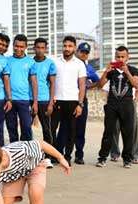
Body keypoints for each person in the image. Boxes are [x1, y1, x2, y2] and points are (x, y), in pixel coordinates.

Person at [96, 46, 138, 168]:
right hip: (112, 103)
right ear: (115, 57)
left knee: (128, 132)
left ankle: (127, 159)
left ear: (127, 57)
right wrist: (106, 71)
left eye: (122, 57)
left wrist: (127, 72)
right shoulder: (111, 70)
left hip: (127, 104)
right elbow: (100, 85)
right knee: (108, 131)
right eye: (118, 57)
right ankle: (102, 157)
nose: (120, 59)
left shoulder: (133, 69)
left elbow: (136, 85)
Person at [51, 36, 87, 165]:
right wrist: (51, 98)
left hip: (72, 101)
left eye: (70, 46)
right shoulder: (55, 61)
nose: (67, 48)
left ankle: (67, 156)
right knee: (52, 129)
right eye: (65, 46)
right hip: (57, 100)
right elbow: (50, 80)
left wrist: (80, 104)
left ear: (74, 48)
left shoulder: (79, 64)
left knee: (71, 130)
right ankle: (54, 155)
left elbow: (82, 85)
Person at [6, 34, 38, 142]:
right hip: (10, 100)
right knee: (11, 128)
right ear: (13, 46)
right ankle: (14, 154)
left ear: (25, 47)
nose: (18, 49)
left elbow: (34, 83)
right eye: (16, 46)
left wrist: (35, 102)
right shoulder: (7, 61)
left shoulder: (30, 62)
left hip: (24, 100)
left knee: (26, 128)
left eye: (21, 46)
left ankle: (27, 153)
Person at [32, 38, 57, 168]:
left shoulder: (50, 63)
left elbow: (53, 84)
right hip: (28, 99)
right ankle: (29, 157)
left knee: (47, 130)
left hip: (44, 100)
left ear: (45, 49)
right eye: (38, 47)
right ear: (34, 48)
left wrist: (51, 103)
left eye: (43, 48)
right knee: (26, 129)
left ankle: (48, 157)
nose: (40, 50)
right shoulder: (29, 62)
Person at [109, 87, 138, 164]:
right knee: (114, 129)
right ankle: (114, 153)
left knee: (133, 131)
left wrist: (134, 102)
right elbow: (107, 90)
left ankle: (134, 155)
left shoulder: (134, 75)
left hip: (130, 104)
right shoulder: (113, 75)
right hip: (115, 104)